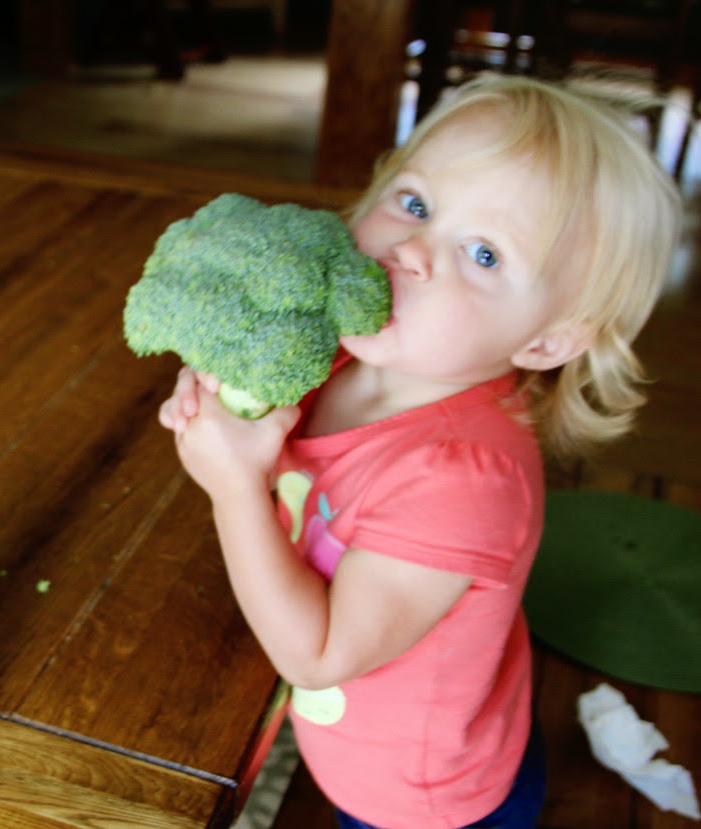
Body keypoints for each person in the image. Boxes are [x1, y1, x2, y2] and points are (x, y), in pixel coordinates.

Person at [158, 74, 682, 829]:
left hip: (424, 795)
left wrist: (234, 488)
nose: (411, 251)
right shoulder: (346, 356)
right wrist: (228, 404)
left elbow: (319, 654)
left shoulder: (466, 480)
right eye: (414, 203)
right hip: (387, 723)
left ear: (543, 341)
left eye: (484, 254)